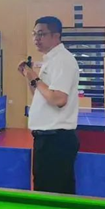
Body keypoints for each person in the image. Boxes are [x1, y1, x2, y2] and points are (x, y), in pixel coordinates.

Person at [18, 16, 80, 195]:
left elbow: (59, 99)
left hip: (56, 140)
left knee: (52, 194)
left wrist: (35, 78)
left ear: (56, 36)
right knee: (45, 189)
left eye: (41, 34)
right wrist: (29, 77)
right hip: (45, 139)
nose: (36, 38)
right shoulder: (50, 60)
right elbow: (41, 95)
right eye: (34, 34)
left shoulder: (63, 60)